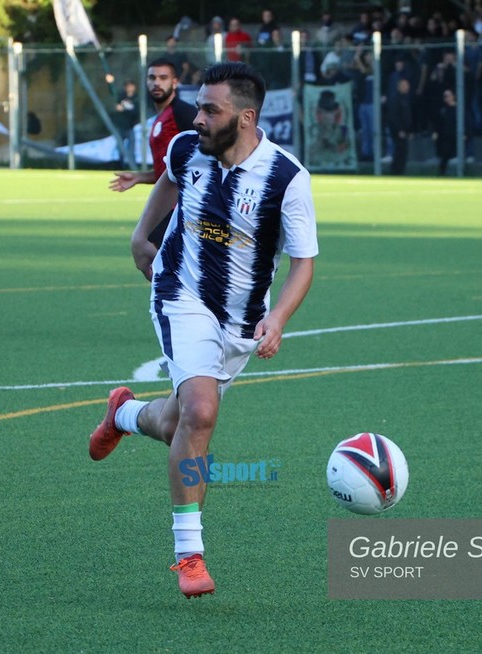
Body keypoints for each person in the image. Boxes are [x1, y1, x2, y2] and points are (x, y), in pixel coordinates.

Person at [89, 62, 318, 599]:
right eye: (197, 107)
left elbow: (303, 263)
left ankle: (124, 414)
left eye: (211, 110)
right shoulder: (186, 149)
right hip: (180, 294)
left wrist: (277, 318)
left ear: (246, 117)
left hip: (241, 321)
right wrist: (140, 238)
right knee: (201, 412)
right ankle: (189, 556)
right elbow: (167, 184)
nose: (197, 119)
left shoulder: (286, 178)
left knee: (178, 424)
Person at [109, 58, 199, 248]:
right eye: (152, 78)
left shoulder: (182, 113)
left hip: (182, 206)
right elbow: (169, 169)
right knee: (147, 251)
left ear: (175, 82)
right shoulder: (162, 116)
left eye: (163, 78)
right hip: (166, 204)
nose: (157, 82)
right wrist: (139, 177)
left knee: (146, 248)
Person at [386, 78, 413, 175]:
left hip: (404, 130)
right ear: (399, 87)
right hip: (398, 131)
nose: (407, 87)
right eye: (405, 85)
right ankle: (395, 171)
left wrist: (409, 131)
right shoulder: (395, 99)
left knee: (403, 152)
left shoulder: (406, 98)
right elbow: (394, 116)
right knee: (399, 151)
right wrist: (399, 130)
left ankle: (400, 171)